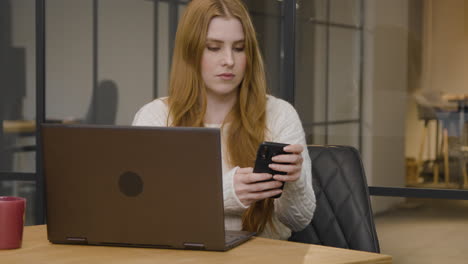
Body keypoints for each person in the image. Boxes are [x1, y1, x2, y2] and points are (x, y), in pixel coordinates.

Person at [132, 0, 315, 240]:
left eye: (239, 48)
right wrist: (224, 192)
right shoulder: (155, 117)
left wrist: (294, 182)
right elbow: (145, 213)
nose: (229, 60)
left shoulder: (280, 113)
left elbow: (298, 220)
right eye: (214, 47)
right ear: (191, 51)